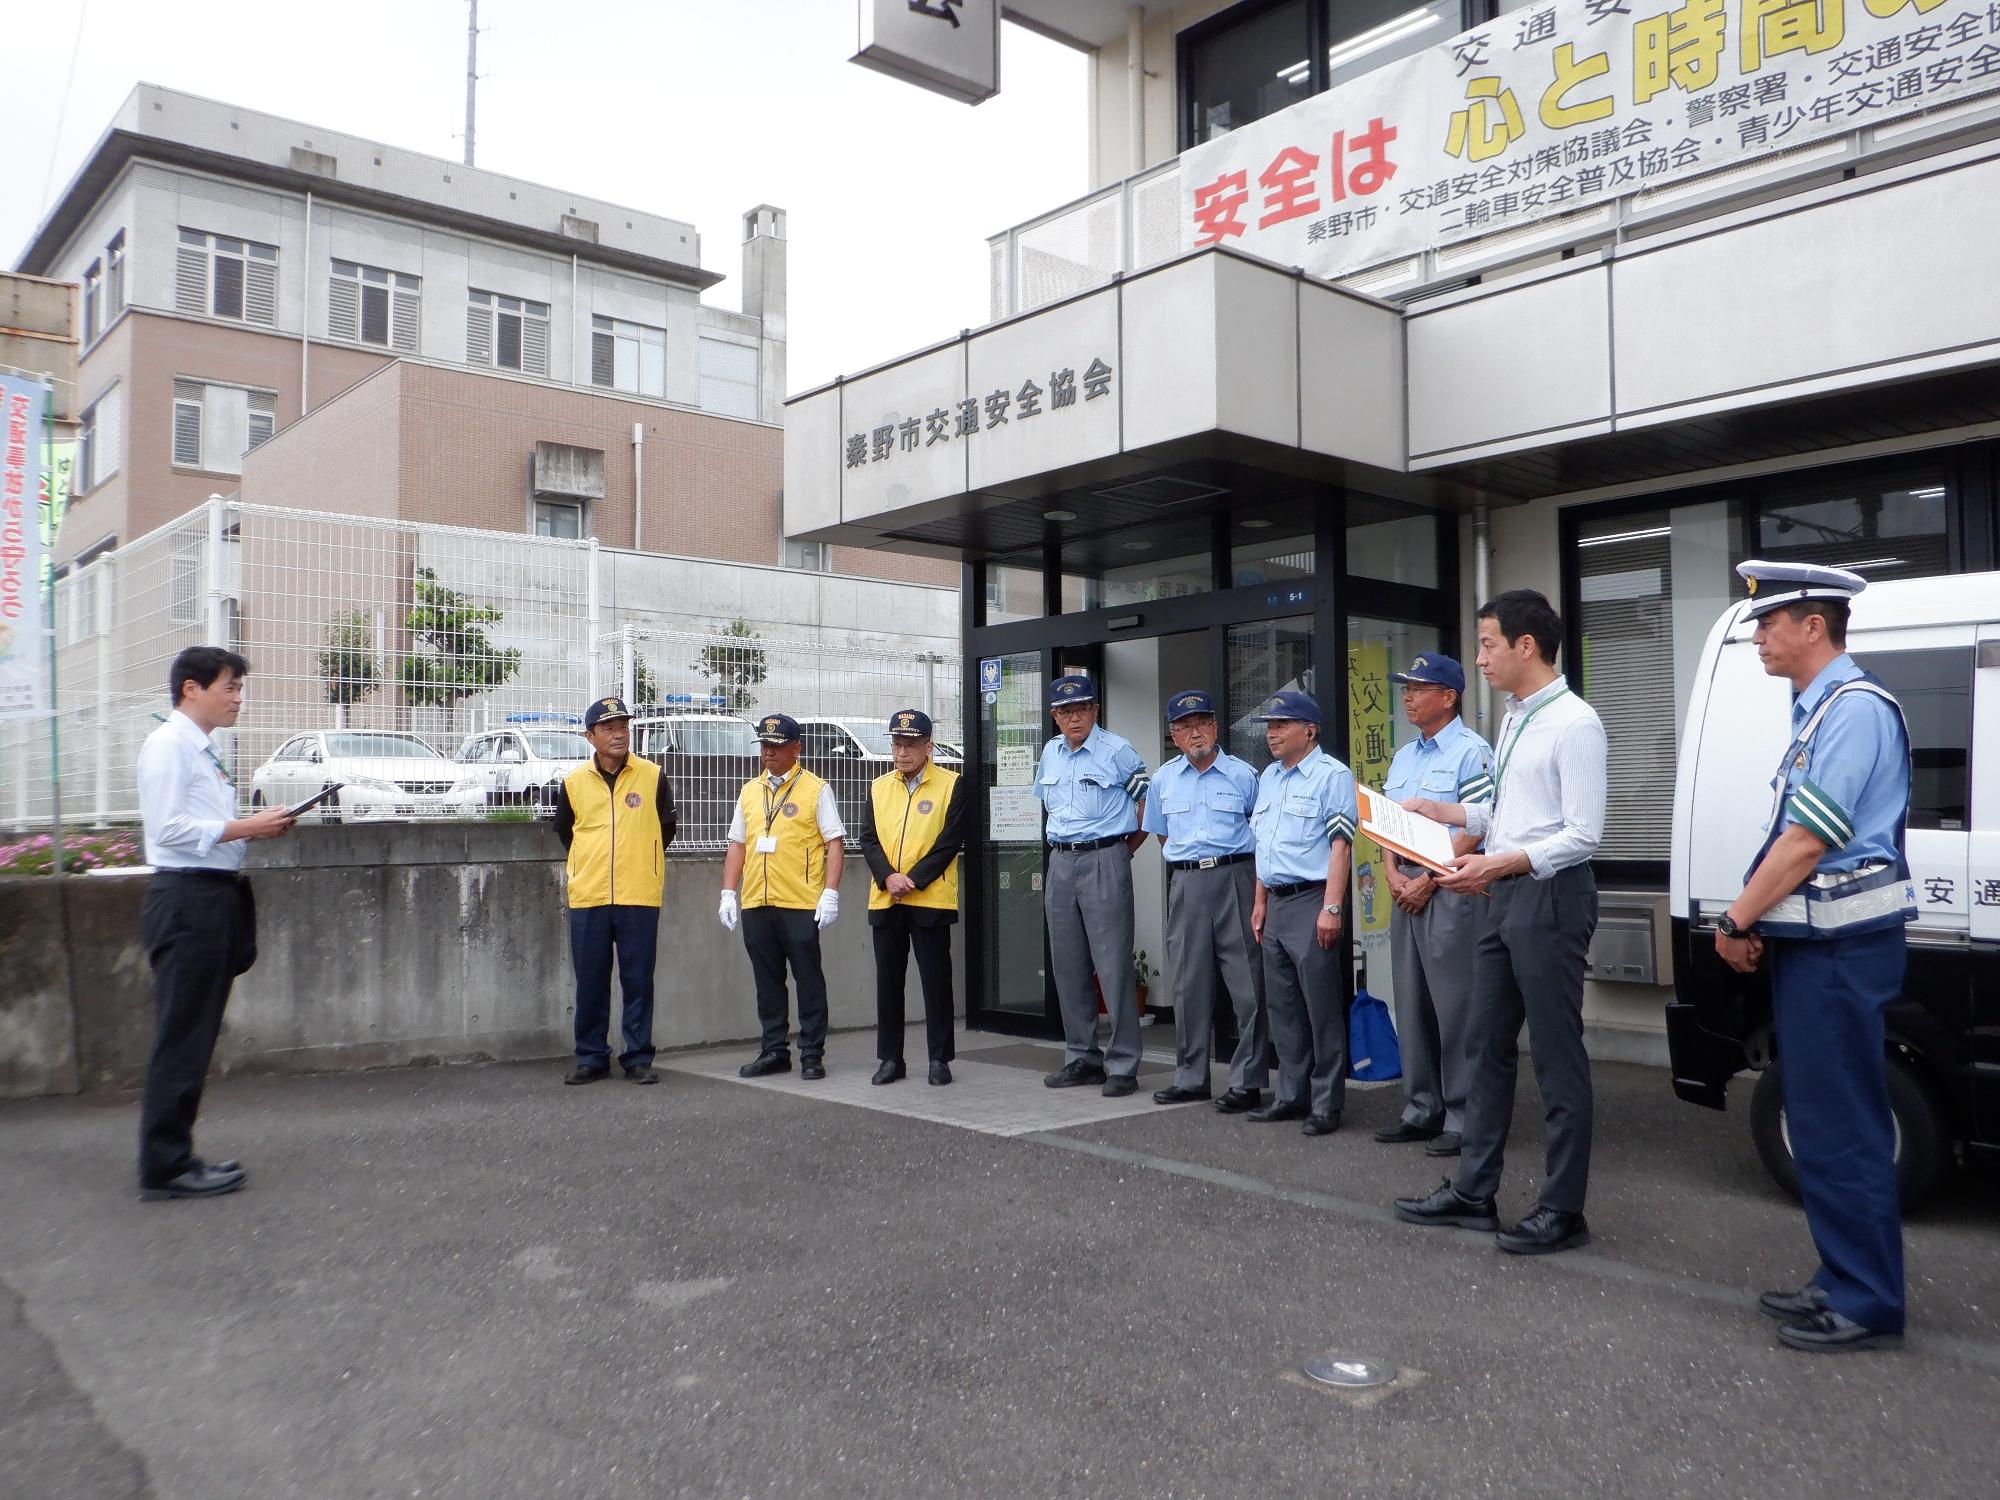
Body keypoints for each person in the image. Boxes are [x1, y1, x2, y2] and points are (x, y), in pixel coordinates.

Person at [1715, 561, 1914, 1353]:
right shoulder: (1821, 709)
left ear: (1814, 626)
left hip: (1842, 951)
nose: (1759, 635)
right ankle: (1841, 1277)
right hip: (1815, 949)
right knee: (1823, 1123)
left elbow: (1807, 840)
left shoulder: (1854, 709)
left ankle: (1868, 1300)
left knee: (1845, 1124)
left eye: (1770, 622)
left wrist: (1737, 916)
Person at [1394, 589, 1606, 1255]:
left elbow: (1582, 835)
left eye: (1488, 644)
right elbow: (1508, 816)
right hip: (1502, 893)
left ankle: (1563, 1209)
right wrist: (1450, 815)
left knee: (1556, 1055)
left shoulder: (1575, 723)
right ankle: (1473, 1190)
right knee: (1485, 1046)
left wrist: (1497, 864)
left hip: (1547, 894)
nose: (1479, 658)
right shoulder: (1514, 719)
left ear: (1526, 646)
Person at [134, 646, 295, 1200]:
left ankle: (175, 1156)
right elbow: (169, 830)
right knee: (183, 1036)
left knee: (194, 1034)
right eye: (229, 687)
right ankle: (165, 1167)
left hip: (211, 897)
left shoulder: (198, 749)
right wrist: (244, 824)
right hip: (188, 899)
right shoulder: (170, 746)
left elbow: (200, 824)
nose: (238, 698)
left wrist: (250, 829)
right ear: (191, 689)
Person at [1374, 654, 1493, 1159]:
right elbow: (1385, 820)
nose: (1407, 696)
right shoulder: (1404, 756)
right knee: (1413, 1001)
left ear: (1448, 697)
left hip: (1451, 892)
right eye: (1405, 687)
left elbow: (1476, 829)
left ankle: (1464, 1116)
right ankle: (1420, 1108)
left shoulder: (1472, 752)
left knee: (1456, 1007)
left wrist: (1427, 878)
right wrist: (1392, 872)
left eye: (1418, 687)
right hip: (1406, 891)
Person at [1140, 689, 1269, 1112]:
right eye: (1184, 727)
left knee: (1247, 985)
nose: (1194, 733)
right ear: (1173, 735)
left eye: (1202, 724)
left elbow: (1261, 832)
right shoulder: (1163, 780)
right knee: (1189, 985)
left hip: (1236, 876)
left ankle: (1248, 1082)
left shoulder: (1244, 775)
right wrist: (1190, 866)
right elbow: (1162, 835)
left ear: (1214, 728)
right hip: (1188, 882)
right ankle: (1191, 1077)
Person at [1247, 690, 1358, 1137]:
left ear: (1309, 730)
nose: (1272, 734)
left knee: (1321, 1006)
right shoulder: (1268, 777)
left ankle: (1327, 1102)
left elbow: (1341, 846)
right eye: (1270, 727)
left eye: (1281, 725)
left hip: (1313, 899)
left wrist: (1332, 907)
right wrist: (1259, 901)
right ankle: (1291, 1095)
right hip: (1275, 901)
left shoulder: (1332, 775)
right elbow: (1263, 843)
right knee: (1284, 1006)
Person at [1034, 673, 1150, 1097]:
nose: (1074, 717)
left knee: (1113, 964)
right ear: (1054, 716)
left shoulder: (1117, 751)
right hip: (1061, 861)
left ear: (1095, 710)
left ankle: (1122, 1064)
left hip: (1105, 857)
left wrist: (1124, 850)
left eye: (1081, 708)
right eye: (1065, 711)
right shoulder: (1050, 753)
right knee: (1067, 965)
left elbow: (1148, 803)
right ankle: (1082, 1057)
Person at [552, 695, 677, 1086]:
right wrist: (593, 865)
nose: (618, 734)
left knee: (638, 980)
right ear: (591, 736)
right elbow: (565, 833)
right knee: (591, 979)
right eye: (608, 728)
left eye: (622, 726)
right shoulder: (573, 784)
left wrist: (641, 859)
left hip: (638, 894)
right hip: (589, 896)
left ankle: (637, 1056)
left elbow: (665, 829)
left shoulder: (653, 776)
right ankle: (591, 1056)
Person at [720, 713, 845, 1080]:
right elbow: (737, 845)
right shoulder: (749, 790)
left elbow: (834, 844)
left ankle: (811, 1051)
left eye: (776, 746)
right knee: (767, 980)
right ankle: (774, 1050)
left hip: (800, 901)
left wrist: (830, 893)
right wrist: (729, 891)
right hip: (757, 900)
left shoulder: (815, 789)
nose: (768, 753)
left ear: (796, 748)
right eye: (764, 746)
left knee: (807, 978)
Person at [858, 708, 966, 1086]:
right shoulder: (878, 786)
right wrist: (888, 877)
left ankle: (939, 1059)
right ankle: (890, 1058)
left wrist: (914, 880)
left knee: (936, 983)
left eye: (910, 745)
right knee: (888, 982)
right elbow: (868, 839)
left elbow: (949, 842)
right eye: (897, 744)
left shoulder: (952, 784)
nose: (902, 752)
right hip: (887, 899)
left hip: (930, 899)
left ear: (928, 746)